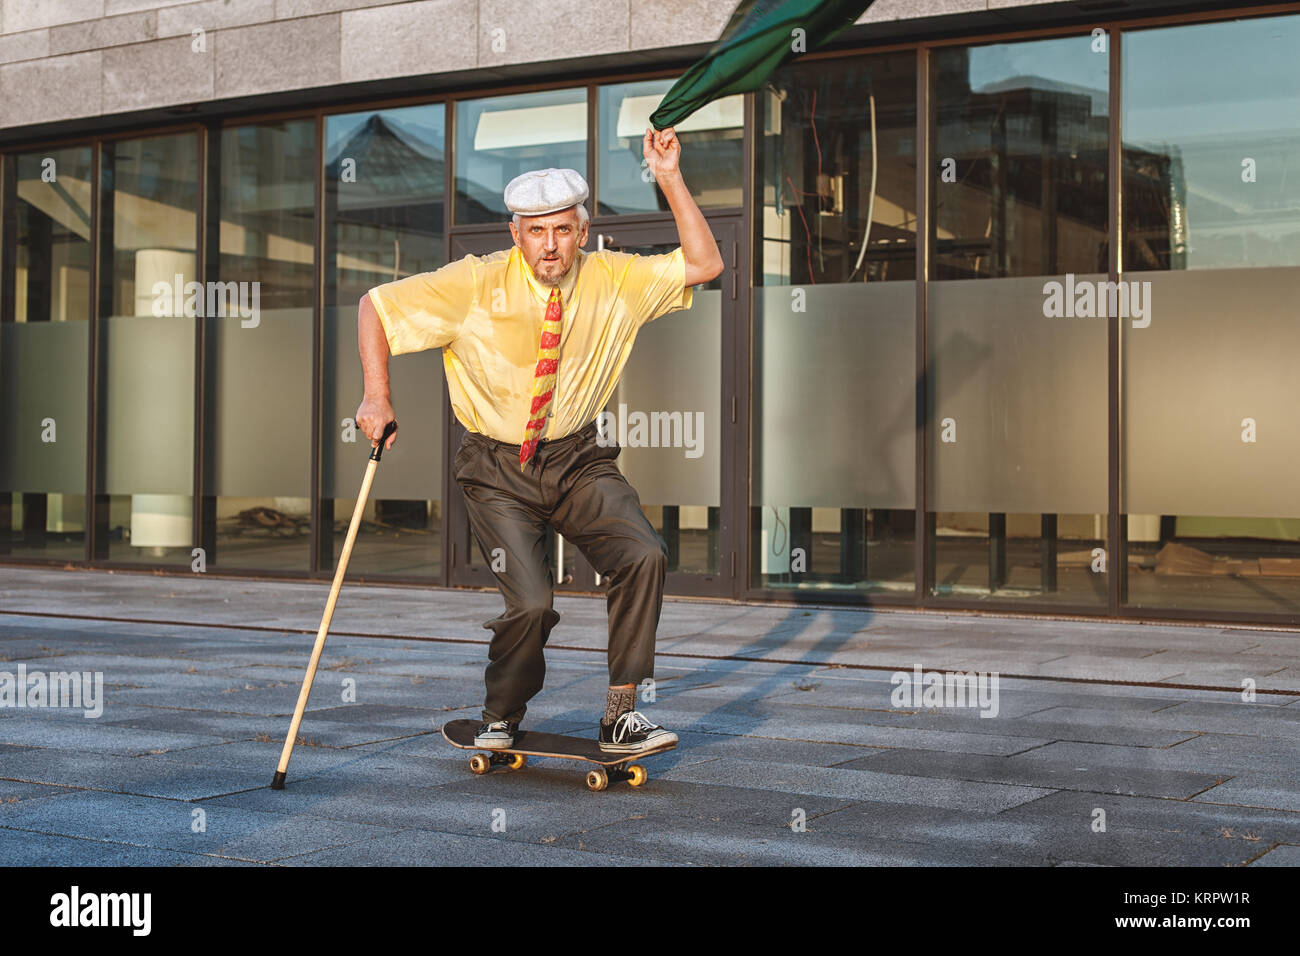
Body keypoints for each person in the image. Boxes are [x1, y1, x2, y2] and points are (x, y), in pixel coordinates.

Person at [354, 127, 724, 753]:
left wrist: (668, 177)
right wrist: (377, 394)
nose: (549, 245)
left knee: (644, 556)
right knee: (529, 604)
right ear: (516, 234)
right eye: (536, 230)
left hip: (578, 458)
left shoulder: (614, 278)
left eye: (562, 230)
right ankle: (501, 715)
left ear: (582, 233)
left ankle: (621, 714)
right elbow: (376, 307)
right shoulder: (473, 282)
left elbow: (704, 263)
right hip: (495, 468)